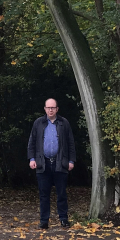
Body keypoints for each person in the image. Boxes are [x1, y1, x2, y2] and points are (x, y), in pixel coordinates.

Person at [27, 98, 75, 229]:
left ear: (57, 109)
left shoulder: (64, 123)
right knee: (44, 194)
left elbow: (71, 143)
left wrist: (71, 160)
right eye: (48, 107)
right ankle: (44, 221)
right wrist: (32, 159)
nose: (50, 110)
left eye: (53, 108)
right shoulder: (38, 123)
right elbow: (31, 142)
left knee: (61, 193)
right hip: (43, 163)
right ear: (44, 109)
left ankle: (64, 219)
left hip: (60, 162)